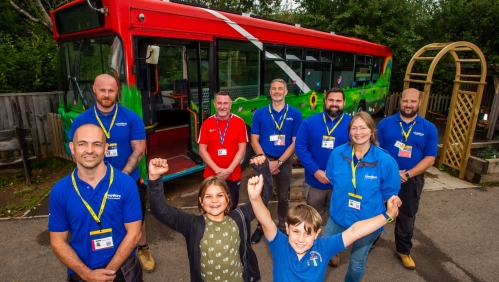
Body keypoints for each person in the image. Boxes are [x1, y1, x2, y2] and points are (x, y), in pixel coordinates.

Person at [247, 170, 402, 281]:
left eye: (308, 233)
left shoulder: (323, 247)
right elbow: (266, 221)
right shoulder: (280, 245)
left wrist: (387, 216)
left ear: (317, 233)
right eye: (296, 231)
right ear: (287, 229)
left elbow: (354, 231)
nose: (301, 239)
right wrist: (255, 198)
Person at [69, 74, 155, 272]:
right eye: (102, 90)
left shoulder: (131, 118)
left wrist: (121, 176)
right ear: (94, 90)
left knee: (137, 219)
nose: (107, 95)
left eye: (111, 90)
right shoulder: (81, 121)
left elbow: (138, 150)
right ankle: (104, 253)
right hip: (93, 183)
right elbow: (76, 151)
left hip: (128, 180)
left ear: (118, 91)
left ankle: (142, 248)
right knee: (100, 219)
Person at [147, 154, 274, 282]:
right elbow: (161, 210)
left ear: (228, 198)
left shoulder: (239, 217)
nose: (214, 201)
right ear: (201, 201)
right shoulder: (192, 225)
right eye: (208, 196)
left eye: (220, 195)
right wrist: (154, 178)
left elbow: (264, 197)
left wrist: (263, 169)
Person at [49, 123, 143, 282]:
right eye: (82, 144)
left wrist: (108, 272)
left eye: (97, 144)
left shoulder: (126, 184)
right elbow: (57, 241)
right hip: (81, 272)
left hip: (124, 270)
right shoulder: (60, 191)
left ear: (106, 149)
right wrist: (86, 274)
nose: (90, 150)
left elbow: (135, 234)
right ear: (72, 148)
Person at [323, 112, 401, 282]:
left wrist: (393, 205)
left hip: (367, 220)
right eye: (354, 128)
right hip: (338, 216)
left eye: (363, 127)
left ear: (372, 130)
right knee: (321, 252)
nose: (358, 132)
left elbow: (390, 192)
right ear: (349, 131)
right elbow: (332, 178)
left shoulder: (385, 161)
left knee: (357, 261)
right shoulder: (337, 154)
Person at [377, 88, 438, 270]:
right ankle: (369, 242)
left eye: (413, 101)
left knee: (407, 216)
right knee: (376, 210)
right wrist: (392, 173)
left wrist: (408, 173)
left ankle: (403, 251)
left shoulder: (429, 128)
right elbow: (376, 150)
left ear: (419, 102)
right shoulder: (385, 124)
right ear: (400, 102)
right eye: (405, 101)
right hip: (384, 178)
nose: (408, 105)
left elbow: (430, 158)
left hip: (411, 180)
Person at [250, 78, 303, 243]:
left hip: (284, 161)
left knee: (283, 197)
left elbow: (295, 143)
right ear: (270, 91)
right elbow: (254, 140)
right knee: (262, 196)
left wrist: (278, 162)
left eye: (280, 88)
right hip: (263, 160)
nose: (277, 91)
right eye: (274, 88)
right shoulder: (260, 113)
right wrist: (267, 163)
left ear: (286, 91)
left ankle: (282, 226)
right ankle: (261, 227)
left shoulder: (295, 114)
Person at [295, 87, 351, 216]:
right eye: (331, 100)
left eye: (338, 100)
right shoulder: (309, 122)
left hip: (340, 184)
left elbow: (358, 152)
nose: (334, 104)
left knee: (337, 220)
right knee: (313, 220)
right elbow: (301, 148)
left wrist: (335, 173)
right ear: (325, 101)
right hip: (315, 183)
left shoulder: (352, 124)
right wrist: (315, 171)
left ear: (344, 102)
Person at [198, 91, 248, 209]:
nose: (222, 106)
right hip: (211, 175)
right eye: (219, 103)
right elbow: (202, 150)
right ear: (214, 104)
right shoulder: (206, 124)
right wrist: (217, 170)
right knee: (211, 207)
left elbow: (242, 150)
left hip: (233, 175)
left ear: (230, 105)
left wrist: (229, 170)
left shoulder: (239, 123)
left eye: (225, 103)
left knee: (232, 206)